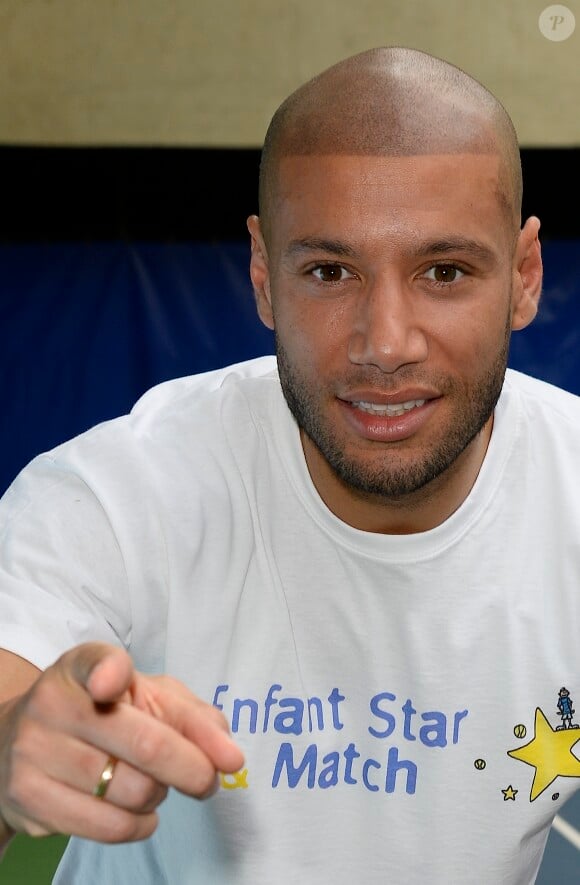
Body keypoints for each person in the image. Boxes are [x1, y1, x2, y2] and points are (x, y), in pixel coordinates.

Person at [0, 44, 577, 884]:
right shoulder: (126, 489)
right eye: (330, 270)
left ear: (524, 276)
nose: (386, 342)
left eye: (444, 271)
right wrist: (16, 743)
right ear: (265, 274)